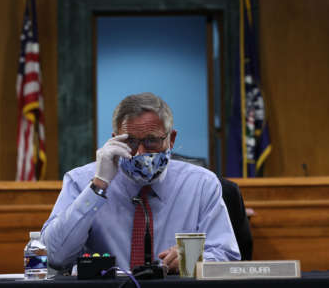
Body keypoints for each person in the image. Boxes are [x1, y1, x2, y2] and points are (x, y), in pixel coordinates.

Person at [41, 92, 240, 274]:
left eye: (152, 141)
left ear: (171, 139)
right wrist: (98, 187)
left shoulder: (201, 184)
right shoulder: (81, 181)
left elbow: (227, 257)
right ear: (114, 140)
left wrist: (192, 259)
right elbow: (54, 257)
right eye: (131, 142)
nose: (140, 153)